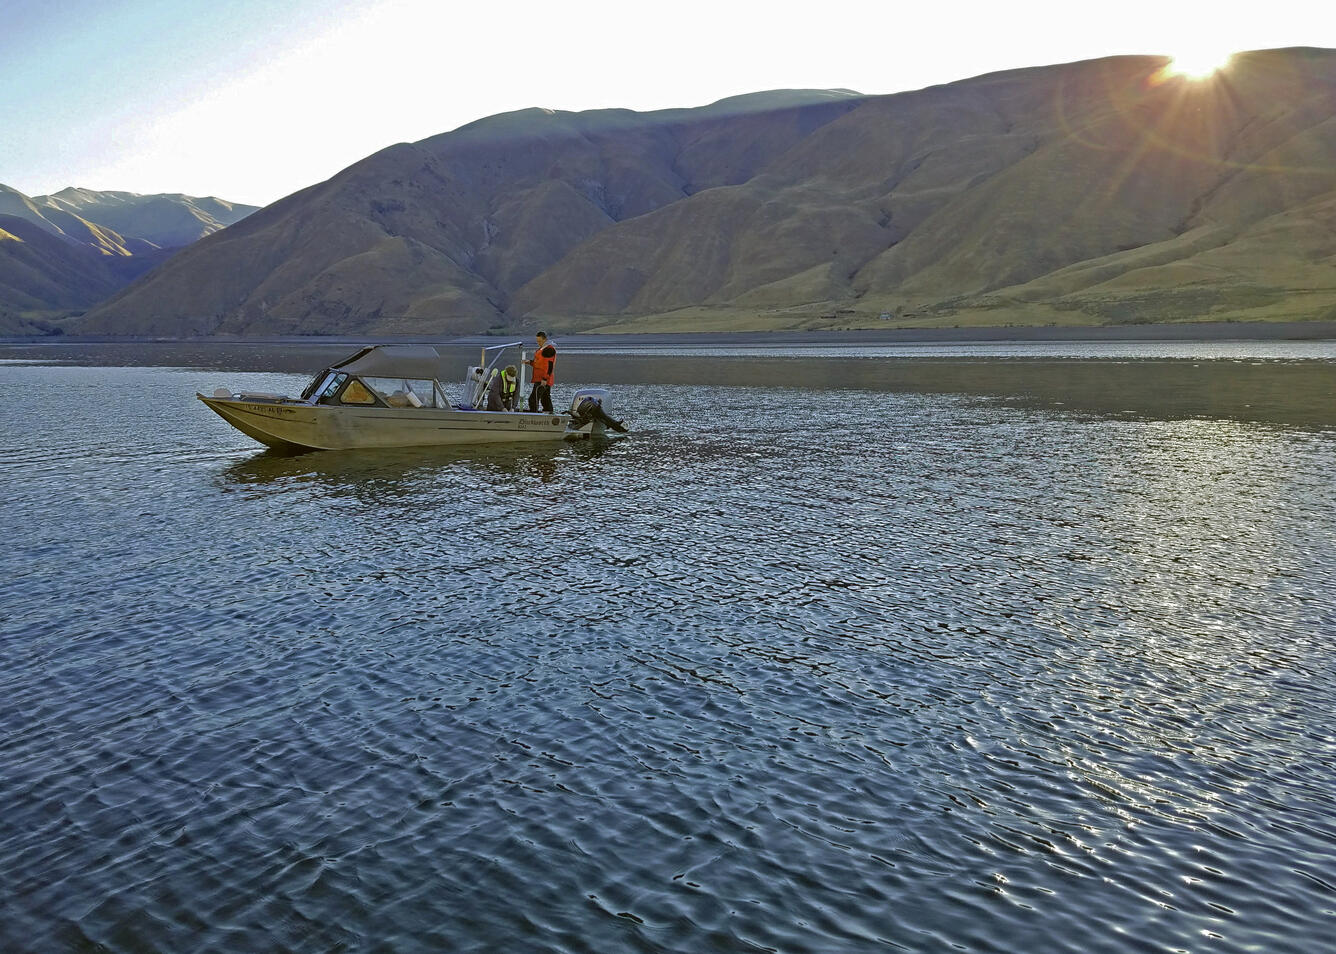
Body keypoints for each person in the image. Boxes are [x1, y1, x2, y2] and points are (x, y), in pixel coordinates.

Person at [524, 331, 557, 413]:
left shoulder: (549, 349)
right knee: (545, 398)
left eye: (540, 341)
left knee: (533, 399)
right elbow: (539, 363)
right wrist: (530, 362)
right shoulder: (542, 349)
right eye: (537, 341)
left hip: (543, 379)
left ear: (545, 339)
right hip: (540, 378)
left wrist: (545, 379)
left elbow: (549, 366)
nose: (538, 343)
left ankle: (534, 416)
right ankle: (549, 414)